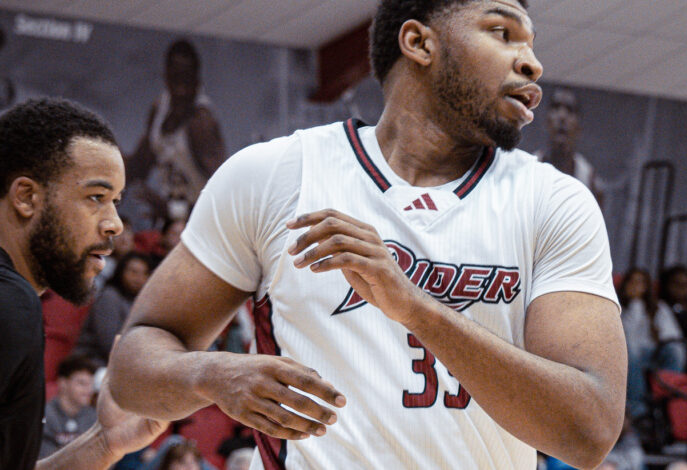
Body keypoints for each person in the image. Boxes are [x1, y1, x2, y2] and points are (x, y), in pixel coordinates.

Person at [109, 1, 627, 469]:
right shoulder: (276, 175)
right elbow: (133, 368)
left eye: (531, 44)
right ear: (419, 42)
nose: (531, 63)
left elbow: (590, 432)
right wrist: (212, 375)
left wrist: (414, 305)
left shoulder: (554, 202)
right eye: (501, 31)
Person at [0, 98, 165, 470]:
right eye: (96, 198)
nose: (115, 224)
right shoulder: (11, 302)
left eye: (116, 202)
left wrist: (103, 445)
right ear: (26, 196)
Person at [126, 39, 226, 229]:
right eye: (176, 79)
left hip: (199, 227)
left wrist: (173, 210)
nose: (181, 90)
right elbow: (140, 166)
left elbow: (223, 199)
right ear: (166, 78)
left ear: (197, 81)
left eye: (187, 81)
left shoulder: (201, 124)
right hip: (170, 225)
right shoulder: (159, 108)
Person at [619, 268, 686, 418]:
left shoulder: (658, 307)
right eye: (632, 281)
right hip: (625, 356)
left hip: (653, 355)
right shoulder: (617, 306)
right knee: (631, 350)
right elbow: (627, 337)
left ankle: (666, 395)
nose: (636, 286)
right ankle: (637, 407)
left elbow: (672, 336)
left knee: (676, 349)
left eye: (640, 282)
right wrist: (635, 303)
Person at [75, 252, 153, 365]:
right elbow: (108, 343)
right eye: (133, 272)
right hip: (91, 362)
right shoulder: (109, 296)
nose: (138, 278)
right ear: (121, 272)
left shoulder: (143, 302)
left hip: (122, 363)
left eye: (144, 273)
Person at [535, 88, 604, 205]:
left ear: (579, 126)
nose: (562, 116)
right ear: (546, 121)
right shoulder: (527, 172)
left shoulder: (591, 183)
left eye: (570, 110)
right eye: (556, 108)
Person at [39, 355, 98, 458]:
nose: (89, 390)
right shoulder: (44, 415)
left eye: (91, 384)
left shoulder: (94, 417)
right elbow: (43, 458)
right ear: (63, 383)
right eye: (82, 383)